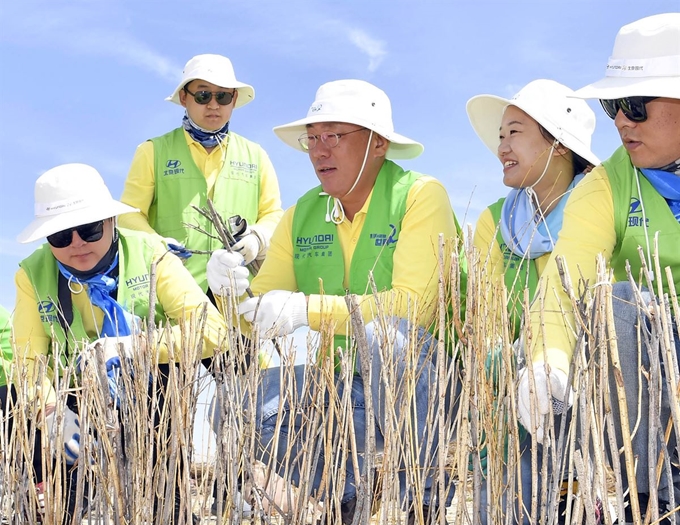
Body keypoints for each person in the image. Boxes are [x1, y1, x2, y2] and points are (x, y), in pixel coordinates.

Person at [207, 79, 462, 523]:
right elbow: (257, 313)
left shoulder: (421, 195)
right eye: (313, 138)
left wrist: (307, 309)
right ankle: (346, 493)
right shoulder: (302, 213)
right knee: (230, 403)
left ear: (378, 143)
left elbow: (412, 309)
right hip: (347, 389)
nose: (319, 151)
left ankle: (423, 498)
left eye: (335, 137)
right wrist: (230, 292)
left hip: (430, 389)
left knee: (387, 336)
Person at [517, 13, 680, 524]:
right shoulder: (607, 184)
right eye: (613, 106)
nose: (620, 122)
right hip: (660, 373)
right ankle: (656, 500)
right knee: (622, 305)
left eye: (635, 106)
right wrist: (547, 359)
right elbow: (566, 279)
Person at [13, 163, 232, 524]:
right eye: (60, 237)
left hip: (151, 385)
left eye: (88, 229)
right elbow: (29, 361)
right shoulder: (30, 274)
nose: (77, 244)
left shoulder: (153, 252)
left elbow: (214, 332)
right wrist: (49, 412)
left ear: (112, 222)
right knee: (57, 487)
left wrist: (135, 347)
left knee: (165, 499)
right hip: (75, 392)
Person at [119, 53, 283, 295]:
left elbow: (273, 214)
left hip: (238, 293)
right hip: (173, 291)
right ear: (185, 97)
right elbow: (128, 216)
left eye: (223, 96)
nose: (214, 105)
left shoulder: (256, 156)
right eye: (203, 95)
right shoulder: (152, 151)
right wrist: (157, 246)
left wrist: (257, 238)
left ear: (234, 99)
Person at [468, 79, 599, 337]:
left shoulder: (602, 209)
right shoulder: (494, 221)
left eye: (514, 133)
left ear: (559, 144)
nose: (502, 148)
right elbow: (486, 329)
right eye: (501, 136)